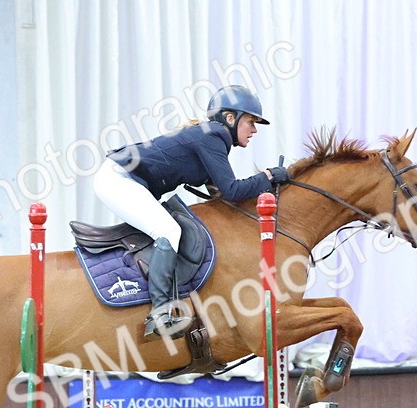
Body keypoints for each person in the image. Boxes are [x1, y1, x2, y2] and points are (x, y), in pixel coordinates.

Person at [97, 85, 290, 340]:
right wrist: (267, 176)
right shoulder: (213, 136)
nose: (254, 130)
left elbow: (221, 196)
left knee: (168, 229)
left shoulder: (211, 136)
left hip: (124, 177)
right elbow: (232, 190)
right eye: (251, 122)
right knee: (168, 231)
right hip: (118, 178)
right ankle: (160, 312)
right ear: (230, 118)